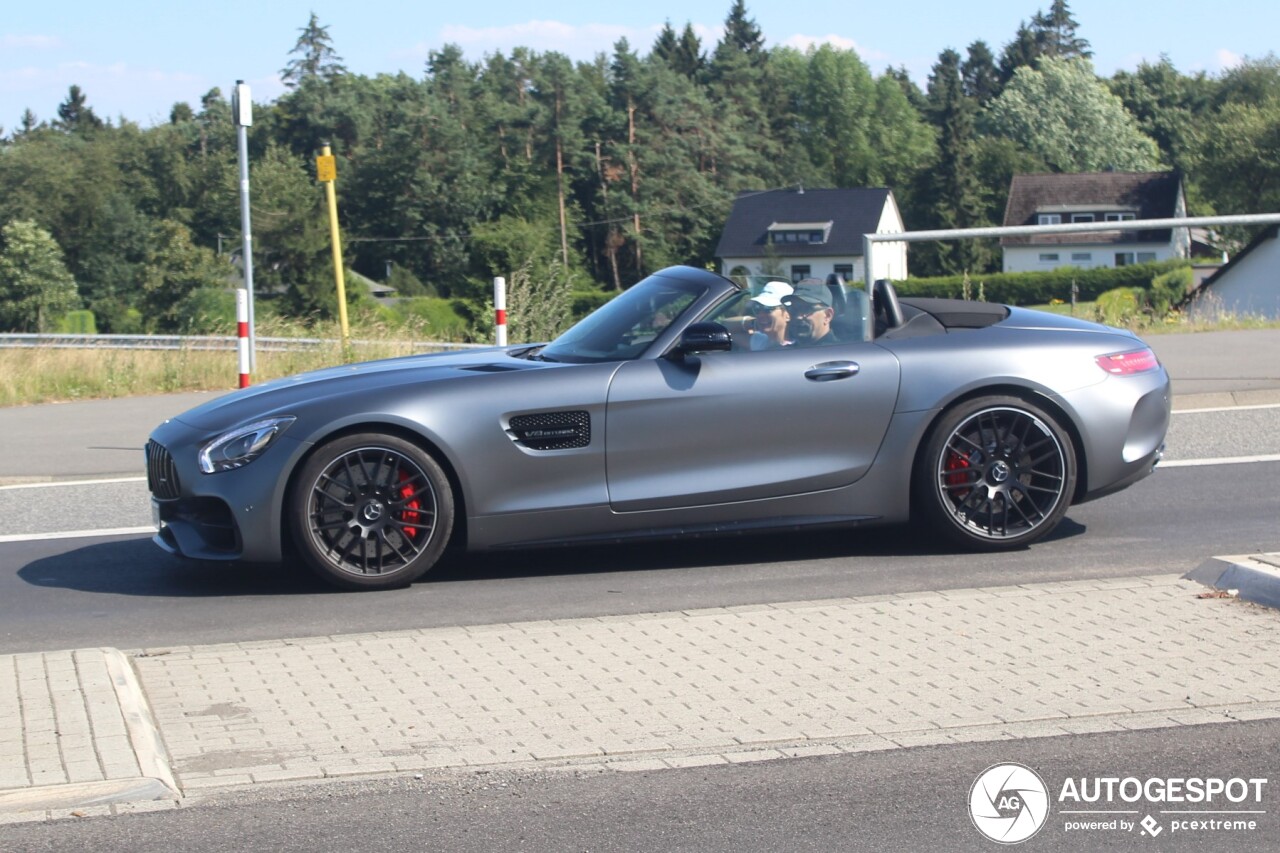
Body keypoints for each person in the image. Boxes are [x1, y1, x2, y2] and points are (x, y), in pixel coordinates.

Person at [747, 281, 793, 351]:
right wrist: (754, 323)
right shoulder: (761, 341)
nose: (760, 315)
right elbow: (729, 327)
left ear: (788, 314)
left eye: (768, 309)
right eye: (758, 308)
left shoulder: (798, 347)